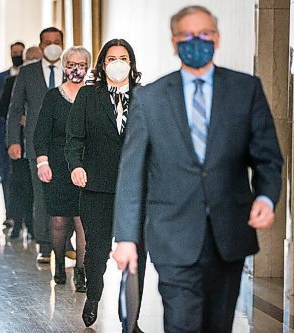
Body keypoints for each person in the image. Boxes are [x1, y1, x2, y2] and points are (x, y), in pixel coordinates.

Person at [112, 6, 283, 333]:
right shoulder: (150, 98)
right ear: (174, 43)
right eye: (187, 36)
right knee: (181, 323)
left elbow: (267, 156)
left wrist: (265, 196)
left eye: (204, 34)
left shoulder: (245, 90)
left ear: (216, 38)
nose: (197, 41)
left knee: (218, 326)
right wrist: (126, 238)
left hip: (230, 232)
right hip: (172, 235)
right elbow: (132, 173)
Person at [65, 39, 146, 329]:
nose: (118, 62)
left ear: (132, 63)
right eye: (111, 58)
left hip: (137, 191)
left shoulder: (146, 97)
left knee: (136, 255)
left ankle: (132, 319)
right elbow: (74, 137)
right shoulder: (88, 96)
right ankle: (94, 296)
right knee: (97, 251)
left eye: (123, 57)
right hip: (97, 186)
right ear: (102, 64)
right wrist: (75, 165)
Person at [34, 46, 90, 292]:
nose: (76, 68)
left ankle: (81, 272)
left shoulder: (94, 96)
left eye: (82, 63)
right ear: (65, 65)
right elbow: (41, 133)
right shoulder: (53, 97)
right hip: (57, 166)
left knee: (83, 221)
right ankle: (58, 265)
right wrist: (42, 162)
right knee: (59, 219)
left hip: (86, 166)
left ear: (88, 67)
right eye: (72, 63)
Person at [7, 27, 65, 263]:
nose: (52, 45)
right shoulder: (28, 73)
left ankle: (65, 240)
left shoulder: (71, 70)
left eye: (57, 41)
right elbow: (15, 109)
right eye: (48, 42)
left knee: (66, 194)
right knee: (41, 195)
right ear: (41, 46)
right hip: (35, 143)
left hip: (66, 144)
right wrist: (13, 141)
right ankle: (44, 243)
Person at [0, 46, 42, 239]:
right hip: (21, 144)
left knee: (36, 189)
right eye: (29, 58)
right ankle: (16, 222)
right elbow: (4, 110)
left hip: (40, 145)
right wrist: (20, 120)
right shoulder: (12, 81)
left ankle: (34, 227)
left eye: (36, 58)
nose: (32, 61)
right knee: (19, 184)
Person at [0, 42, 26, 217]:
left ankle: (24, 216)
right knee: (7, 173)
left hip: (27, 134)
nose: (17, 54)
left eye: (19, 52)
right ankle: (11, 215)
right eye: (14, 52)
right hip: (5, 134)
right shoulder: (0, 78)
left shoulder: (31, 75)